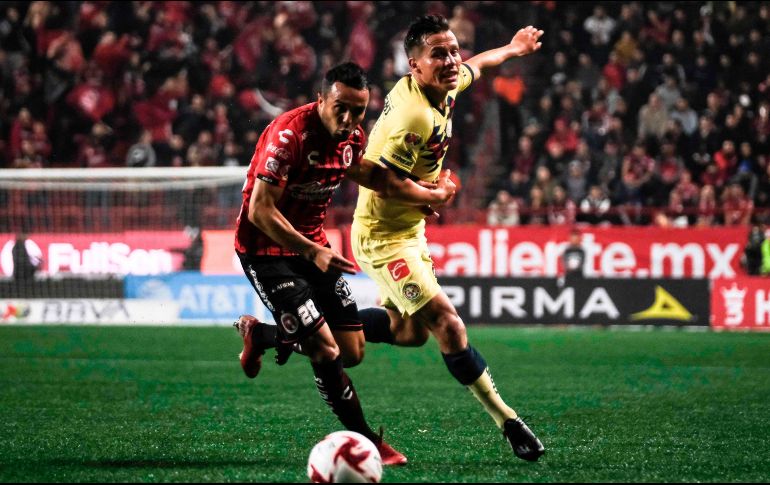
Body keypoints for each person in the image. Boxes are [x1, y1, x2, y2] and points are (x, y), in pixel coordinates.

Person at [232, 62, 454, 466]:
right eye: (341, 108)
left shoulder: (350, 136)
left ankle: (263, 335)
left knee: (352, 352)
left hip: (314, 247)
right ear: (320, 100)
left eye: (358, 111)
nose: (350, 119)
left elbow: (372, 175)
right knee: (325, 350)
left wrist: (420, 195)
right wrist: (311, 251)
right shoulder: (289, 137)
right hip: (268, 252)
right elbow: (259, 212)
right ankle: (366, 440)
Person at [350, 15, 545, 462]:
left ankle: (293, 331)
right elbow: (379, 178)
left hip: (406, 230)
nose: (452, 60)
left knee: (407, 332)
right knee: (448, 325)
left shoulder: (442, 84)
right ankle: (509, 421)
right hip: (383, 236)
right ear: (415, 66)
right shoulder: (413, 116)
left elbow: (480, 63)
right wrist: (435, 193)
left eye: (452, 50)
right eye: (439, 54)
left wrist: (513, 48)